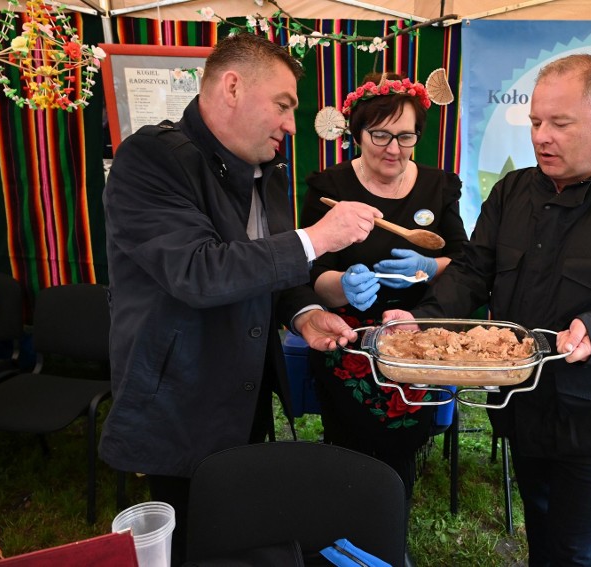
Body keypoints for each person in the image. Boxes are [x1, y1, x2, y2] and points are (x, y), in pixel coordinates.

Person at [384, 54, 591, 566]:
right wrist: (421, 320)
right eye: (536, 121)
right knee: (541, 531)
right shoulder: (514, 192)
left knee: (577, 553)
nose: (542, 136)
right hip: (521, 408)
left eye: (560, 123)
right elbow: (475, 268)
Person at [99, 33, 382, 566]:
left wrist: (303, 313)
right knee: (190, 542)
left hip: (246, 392)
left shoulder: (268, 175)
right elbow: (198, 272)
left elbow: (262, 274)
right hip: (180, 401)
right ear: (231, 87)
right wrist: (318, 238)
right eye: (283, 105)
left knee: (238, 533)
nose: (292, 125)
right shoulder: (151, 160)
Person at [299, 73, 468, 503]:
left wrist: (431, 266)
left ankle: (391, 504)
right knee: (350, 437)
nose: (394, 148)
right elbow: (310, 272)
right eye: (380, 135)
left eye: (405, 136)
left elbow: (467, 262)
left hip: (418, 332)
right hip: (347, 333)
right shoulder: (329, 187)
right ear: (356, 133)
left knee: (400, 445)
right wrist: (343, 286)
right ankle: (349, 506)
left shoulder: (438, 185)